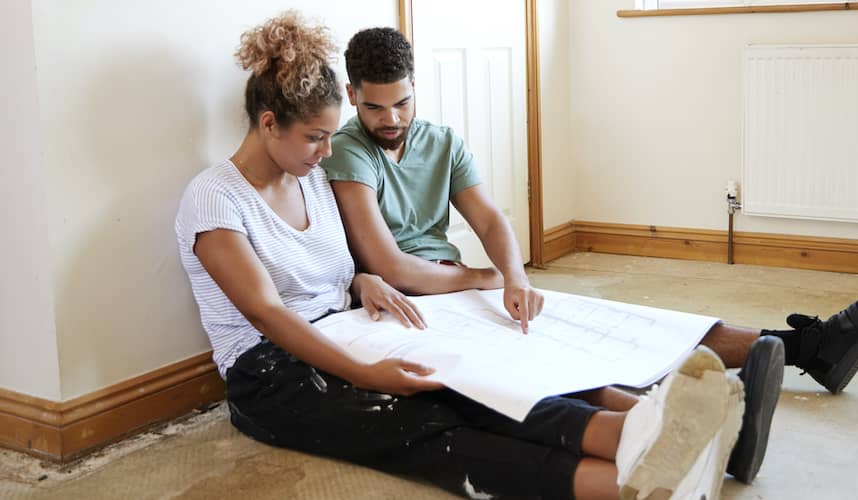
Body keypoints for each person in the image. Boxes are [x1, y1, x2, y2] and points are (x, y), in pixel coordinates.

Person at [175, 11, 754, 500]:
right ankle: (633, 476)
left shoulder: (311, 181)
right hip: (269, 375)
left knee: (472, 379)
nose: (328, 151)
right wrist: (368, 374)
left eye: (331, 136)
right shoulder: (214, 199)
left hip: (349, 330)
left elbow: (326, 270)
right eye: (315, 138)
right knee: (428, 424)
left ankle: (643, 433)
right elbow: (268, 314)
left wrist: (359, 283)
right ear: (269, 123)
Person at [321, 26, 858, 485]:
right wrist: (482, 276)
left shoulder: (441, 140)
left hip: (459, 286)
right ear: (353, 96)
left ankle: (802, 347)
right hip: (411, 302)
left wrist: (515, 276)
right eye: (375, 109)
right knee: (556, 364)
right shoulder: (348, 151)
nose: (391, 120)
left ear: (415, 85)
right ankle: (717, 422)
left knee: (604, 321)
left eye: (401, 103)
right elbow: (392, 266)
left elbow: (492, 219)